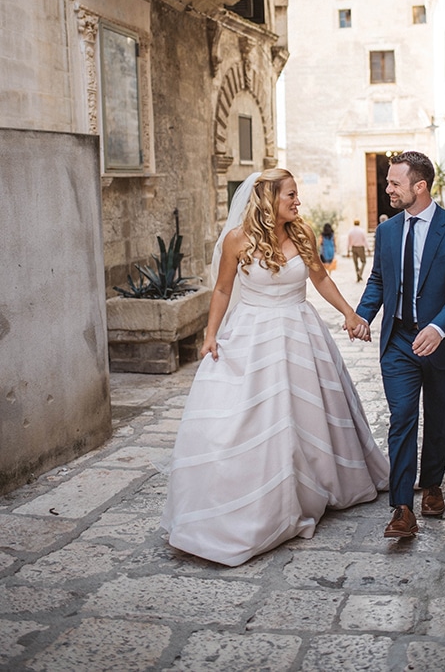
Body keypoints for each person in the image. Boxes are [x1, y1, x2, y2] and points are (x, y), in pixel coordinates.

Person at [161, 169, 389, 566]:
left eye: (297, 195)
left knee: (309, 413)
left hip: (301, 332)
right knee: (255, 416)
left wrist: (350, 314)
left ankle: (315, 482)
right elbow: (222, 289)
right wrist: (210, 334)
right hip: (253, 335)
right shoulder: (237, 240)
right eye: (291, 196)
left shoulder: (303, 233)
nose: (297, 202)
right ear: (268, 199)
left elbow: (319, 279)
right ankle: (256, 498)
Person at [356, 151, 445, 540]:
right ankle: (402, 507)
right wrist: (362, 315)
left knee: (438, 418)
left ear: (419, 186)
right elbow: (378, 279)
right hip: (398, 341)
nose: (387, 189)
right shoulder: (388, 231)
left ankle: (433, 484)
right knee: (403, 417)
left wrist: (440, 328)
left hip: (442, 343)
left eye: (394, 183)